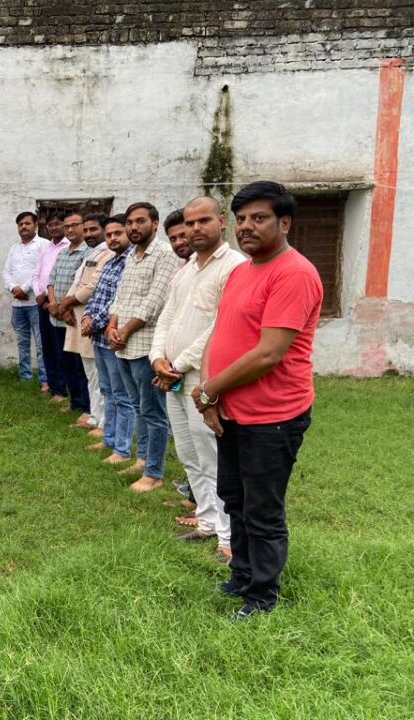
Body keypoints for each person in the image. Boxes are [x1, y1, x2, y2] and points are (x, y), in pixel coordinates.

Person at [192, 181, 322, 618]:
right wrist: (210, 393)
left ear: (284, 223)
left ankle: (262, 596)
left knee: (263, 508)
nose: (246, 226)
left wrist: (209, 389)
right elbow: (218, 334)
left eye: (259, 218)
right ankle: (242, 575)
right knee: (234, 497)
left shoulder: (294, 273)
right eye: (241, 218)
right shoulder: (241, 271)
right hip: (231, 410)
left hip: (273, 416)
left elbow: (269, 353)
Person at [150, 196, 244, 562]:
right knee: (188, 454)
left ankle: (229, 538)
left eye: (203, 220)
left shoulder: (234, 267)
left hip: (202, 379)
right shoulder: (186, 268)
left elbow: (221, 326)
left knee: (212, 458)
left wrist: (178, 363)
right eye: (189, 223)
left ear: (221, 221)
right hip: (172, 375)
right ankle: (206, 521)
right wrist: (157, 357)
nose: (195, 229)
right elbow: (167, 316)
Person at [107, 202, 180, 492]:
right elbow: (120, 296)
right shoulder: (132, 256)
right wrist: (112, 326)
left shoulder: (164, 254)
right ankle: (143, 459)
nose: (133, 227)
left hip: (146, 347)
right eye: (129, 222)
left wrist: (123, 331)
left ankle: (154, 473)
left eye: (140, 221)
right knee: (138, 407)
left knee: (153, 413)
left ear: (154, 223)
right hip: (123, 345)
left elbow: (154, 302)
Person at [81, 215, 136, 465]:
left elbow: (119, 300)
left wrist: (94, 321)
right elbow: (97, 295)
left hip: (114, 338)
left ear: (128, 233)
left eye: (118, 233)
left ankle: (122, 449)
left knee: (121, 395)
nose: (113, 238)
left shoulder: (131, 262)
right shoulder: (111, 261)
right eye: (110, 234)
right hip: (98, 338)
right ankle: (109, 438)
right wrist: (87, 316)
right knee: (108, 390)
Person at [59, 213, 110, 431]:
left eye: (93, 229)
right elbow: (77, 282)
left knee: (99, 376)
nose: (89, 234)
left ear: (104, 230)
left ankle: (103, 421)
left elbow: (93, 286)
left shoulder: (109, 253)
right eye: (87, 230)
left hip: (92, 320)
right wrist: (66, 305)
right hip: (78, 317)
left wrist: (68, 302)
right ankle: (94, 416)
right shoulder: (94, 252)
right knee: (90, 373)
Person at [46, 211, 90, 416]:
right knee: (65, 361)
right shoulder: (62, 253)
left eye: (74, 225)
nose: (70, 229)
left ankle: (86, 406)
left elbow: (82, 286)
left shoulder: (88, 253)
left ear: (83, 227)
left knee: (79, 363)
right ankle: (74, 402)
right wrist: (53, 303)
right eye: (67, 226)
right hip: (57, 316)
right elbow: (51, 280)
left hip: (73, 317)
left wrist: (64, 308)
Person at [2, 211, 46, 384]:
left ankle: (44, 378)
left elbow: (42, 271)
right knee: (22, 342)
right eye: (20, 224)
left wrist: (25, 288)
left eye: (27, 223)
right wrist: (14, 288)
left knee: (41, 343)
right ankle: (25, 376)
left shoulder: (44, 245)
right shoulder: (14, 248)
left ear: (36, 225)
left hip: (36, 302)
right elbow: (6, 272)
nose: (23, 227)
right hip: (18, 304)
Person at [32, 212, 69, 397]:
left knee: (59, 346)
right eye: (50, 225)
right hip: (42, 302)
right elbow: (36, 274)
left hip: (58, 304)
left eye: (57, 224)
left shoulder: (69, 246)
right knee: (46, 345)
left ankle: (62, 389)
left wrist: (51, 300)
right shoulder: (46, 248)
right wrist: (38, 294)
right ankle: (52, 385)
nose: (54, 227)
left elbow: (59, 277)